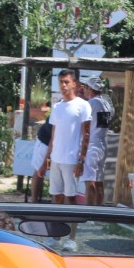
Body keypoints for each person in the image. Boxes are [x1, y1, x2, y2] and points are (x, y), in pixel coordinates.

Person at [43, 70, 91, 251]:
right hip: (56, 159)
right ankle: (55, 235)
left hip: (72, 159)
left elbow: (86, 134)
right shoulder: (57, 107)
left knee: (71, 199)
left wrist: (81, 159)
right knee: (56, 198)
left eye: (66, 82)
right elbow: (53, 136)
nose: (63, 86)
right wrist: (46, 159)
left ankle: (71, 238)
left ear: (75, 84)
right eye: (60, 82)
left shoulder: (82, 105)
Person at [79, 75, 113, 206]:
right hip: (102, 144)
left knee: (90, 181)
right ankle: (99, 212)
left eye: (86, 87)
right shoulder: (105, 102)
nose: (85, 90)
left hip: (93, 144)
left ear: (90, 88)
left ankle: (88, 212)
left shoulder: (92, 103)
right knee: (98, 181)